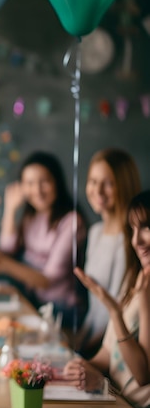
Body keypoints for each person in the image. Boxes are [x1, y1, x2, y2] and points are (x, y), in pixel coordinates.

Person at [26, 190, 150, 408]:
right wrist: (76, 367)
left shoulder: (144, 292)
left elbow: (142, 372)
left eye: (146, 228)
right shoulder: (135, 282)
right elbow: (110, 354)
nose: (138, 240)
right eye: (133, 230)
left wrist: (114, 311)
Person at [0, 151, 87, 331]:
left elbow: (47, 281)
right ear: (22, 187)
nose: (37, 190)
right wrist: (10, 209)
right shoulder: (32, 216)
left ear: (57, 181)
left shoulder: (71, 221)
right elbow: (7, 248)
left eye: (44, 181)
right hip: (34, 301)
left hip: (61, 310)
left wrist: (4, 264)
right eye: (30, 183)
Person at [78, 149, 141, 357]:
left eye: (108, 183)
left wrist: (85, 353)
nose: (98, 190)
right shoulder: (95, 232)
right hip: (90, 342)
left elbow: (115, 310)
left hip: (111, 351)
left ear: (124, 186)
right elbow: (95, 308)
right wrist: (76, 342)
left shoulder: (131, 239)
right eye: (93, 181)